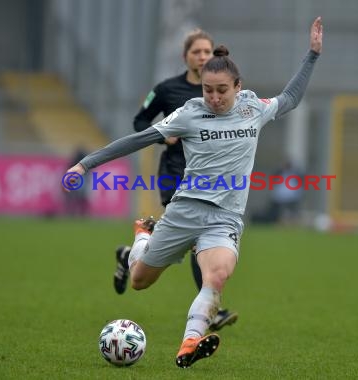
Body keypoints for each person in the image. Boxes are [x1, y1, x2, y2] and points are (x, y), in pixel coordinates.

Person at [63, 16, 323, 368]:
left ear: (237, 86)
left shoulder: (253, 108)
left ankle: (189, 344)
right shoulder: (189, 113)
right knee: (139, 280)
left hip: (224, 219)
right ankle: (142, 236)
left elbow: (291, 97)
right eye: (207, 90)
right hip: (184, 211)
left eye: (222, 90)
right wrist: (86, 164)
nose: (214, 97)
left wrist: (312, 54)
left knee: (216, 277)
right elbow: (140, 138)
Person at [113, 28, 239, 332]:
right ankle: (211, 308)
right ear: (186, 57)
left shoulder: (217, 90)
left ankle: (129, 255)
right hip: (175, 173)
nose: (202, 56)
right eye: (196, 51)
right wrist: (165, 138)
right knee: (196, 240)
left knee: (198, 241)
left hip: (209, 179)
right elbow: (141, 121)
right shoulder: (167, 89)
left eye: (207, 51)